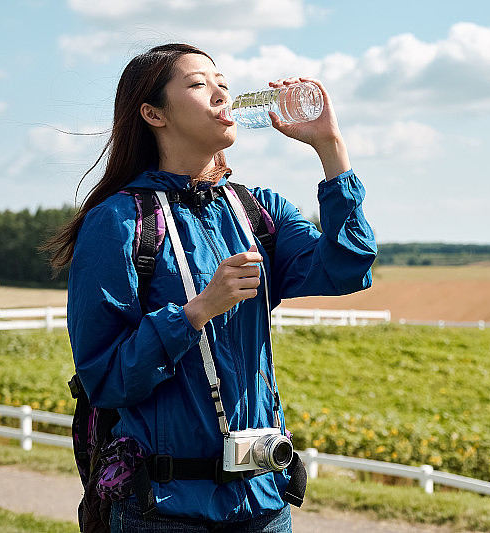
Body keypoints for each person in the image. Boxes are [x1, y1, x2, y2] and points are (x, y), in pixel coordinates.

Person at [44, 43, 376, 532]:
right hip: (162, 511)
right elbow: (106, 378)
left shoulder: (257, 211)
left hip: (264, 504)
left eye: (223, 80)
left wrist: (331, 149)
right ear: (153, 113)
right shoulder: (117, 222)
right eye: (199, 84)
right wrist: (195, 313)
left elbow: (347, 266)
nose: (222, 92)